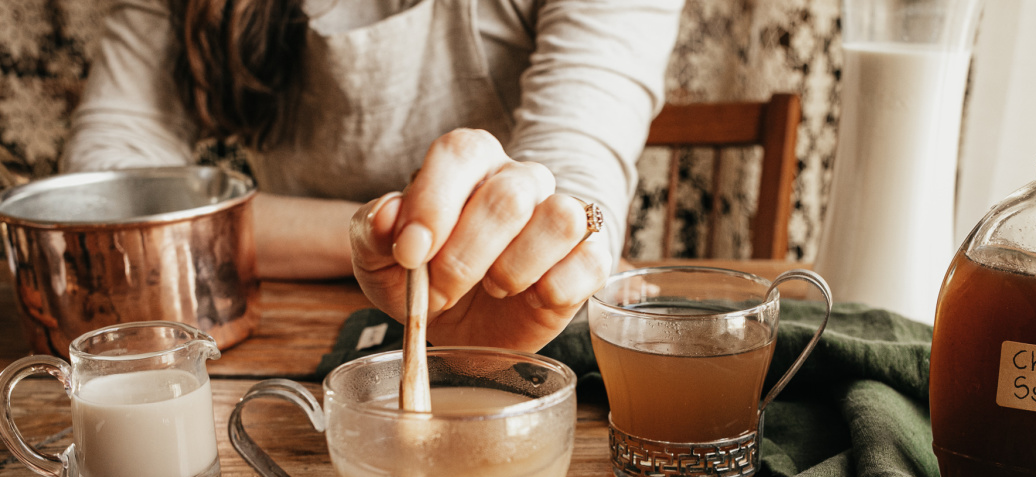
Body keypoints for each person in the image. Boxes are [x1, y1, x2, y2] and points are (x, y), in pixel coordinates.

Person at [61, 0, 683, 353]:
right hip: (274, 341)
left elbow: (576, 175)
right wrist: (382, 241)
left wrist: (564, 234)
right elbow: (99, 196)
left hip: (504, 338)